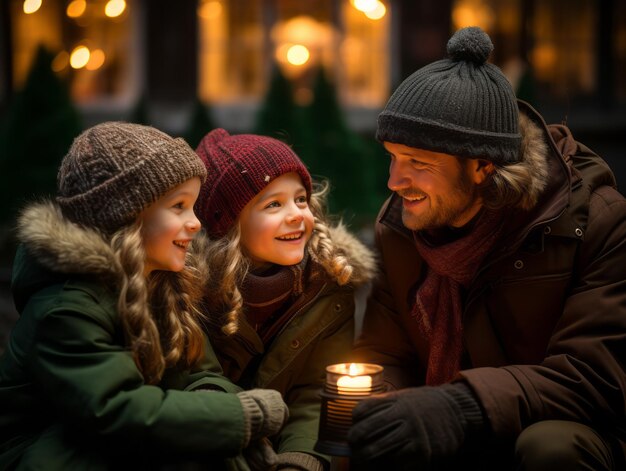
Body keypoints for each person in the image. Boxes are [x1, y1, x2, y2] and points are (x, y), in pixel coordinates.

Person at [349, 26, 626, 470]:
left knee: (549, 446)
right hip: (450, 426)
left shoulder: (597, 223)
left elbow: (593, 379)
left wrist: (461, 406)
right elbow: (385, 355)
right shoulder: (400, 229)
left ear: (482, 167)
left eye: (418, 163)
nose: (394, 182)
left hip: (566, 429)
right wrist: (383, 409)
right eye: (392, 156)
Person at [0, 122, 289, 470]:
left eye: (194, 206)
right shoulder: (66, 307)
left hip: (119, 431)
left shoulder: (165, 282)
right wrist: (238, 416)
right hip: (47, 449)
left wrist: (217, 415)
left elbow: (199, 371)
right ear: (127, 218)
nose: (196, 223)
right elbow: (114, 409)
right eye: (179, 206)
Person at [194, 129, 376, 471]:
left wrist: (301, 460)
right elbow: (199, 381)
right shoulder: (191, 289)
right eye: (273, 204)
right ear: (229, 224)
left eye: (301, 199)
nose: (296, 214)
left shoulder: (328, 286)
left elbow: (313, 393)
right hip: (211, 445)